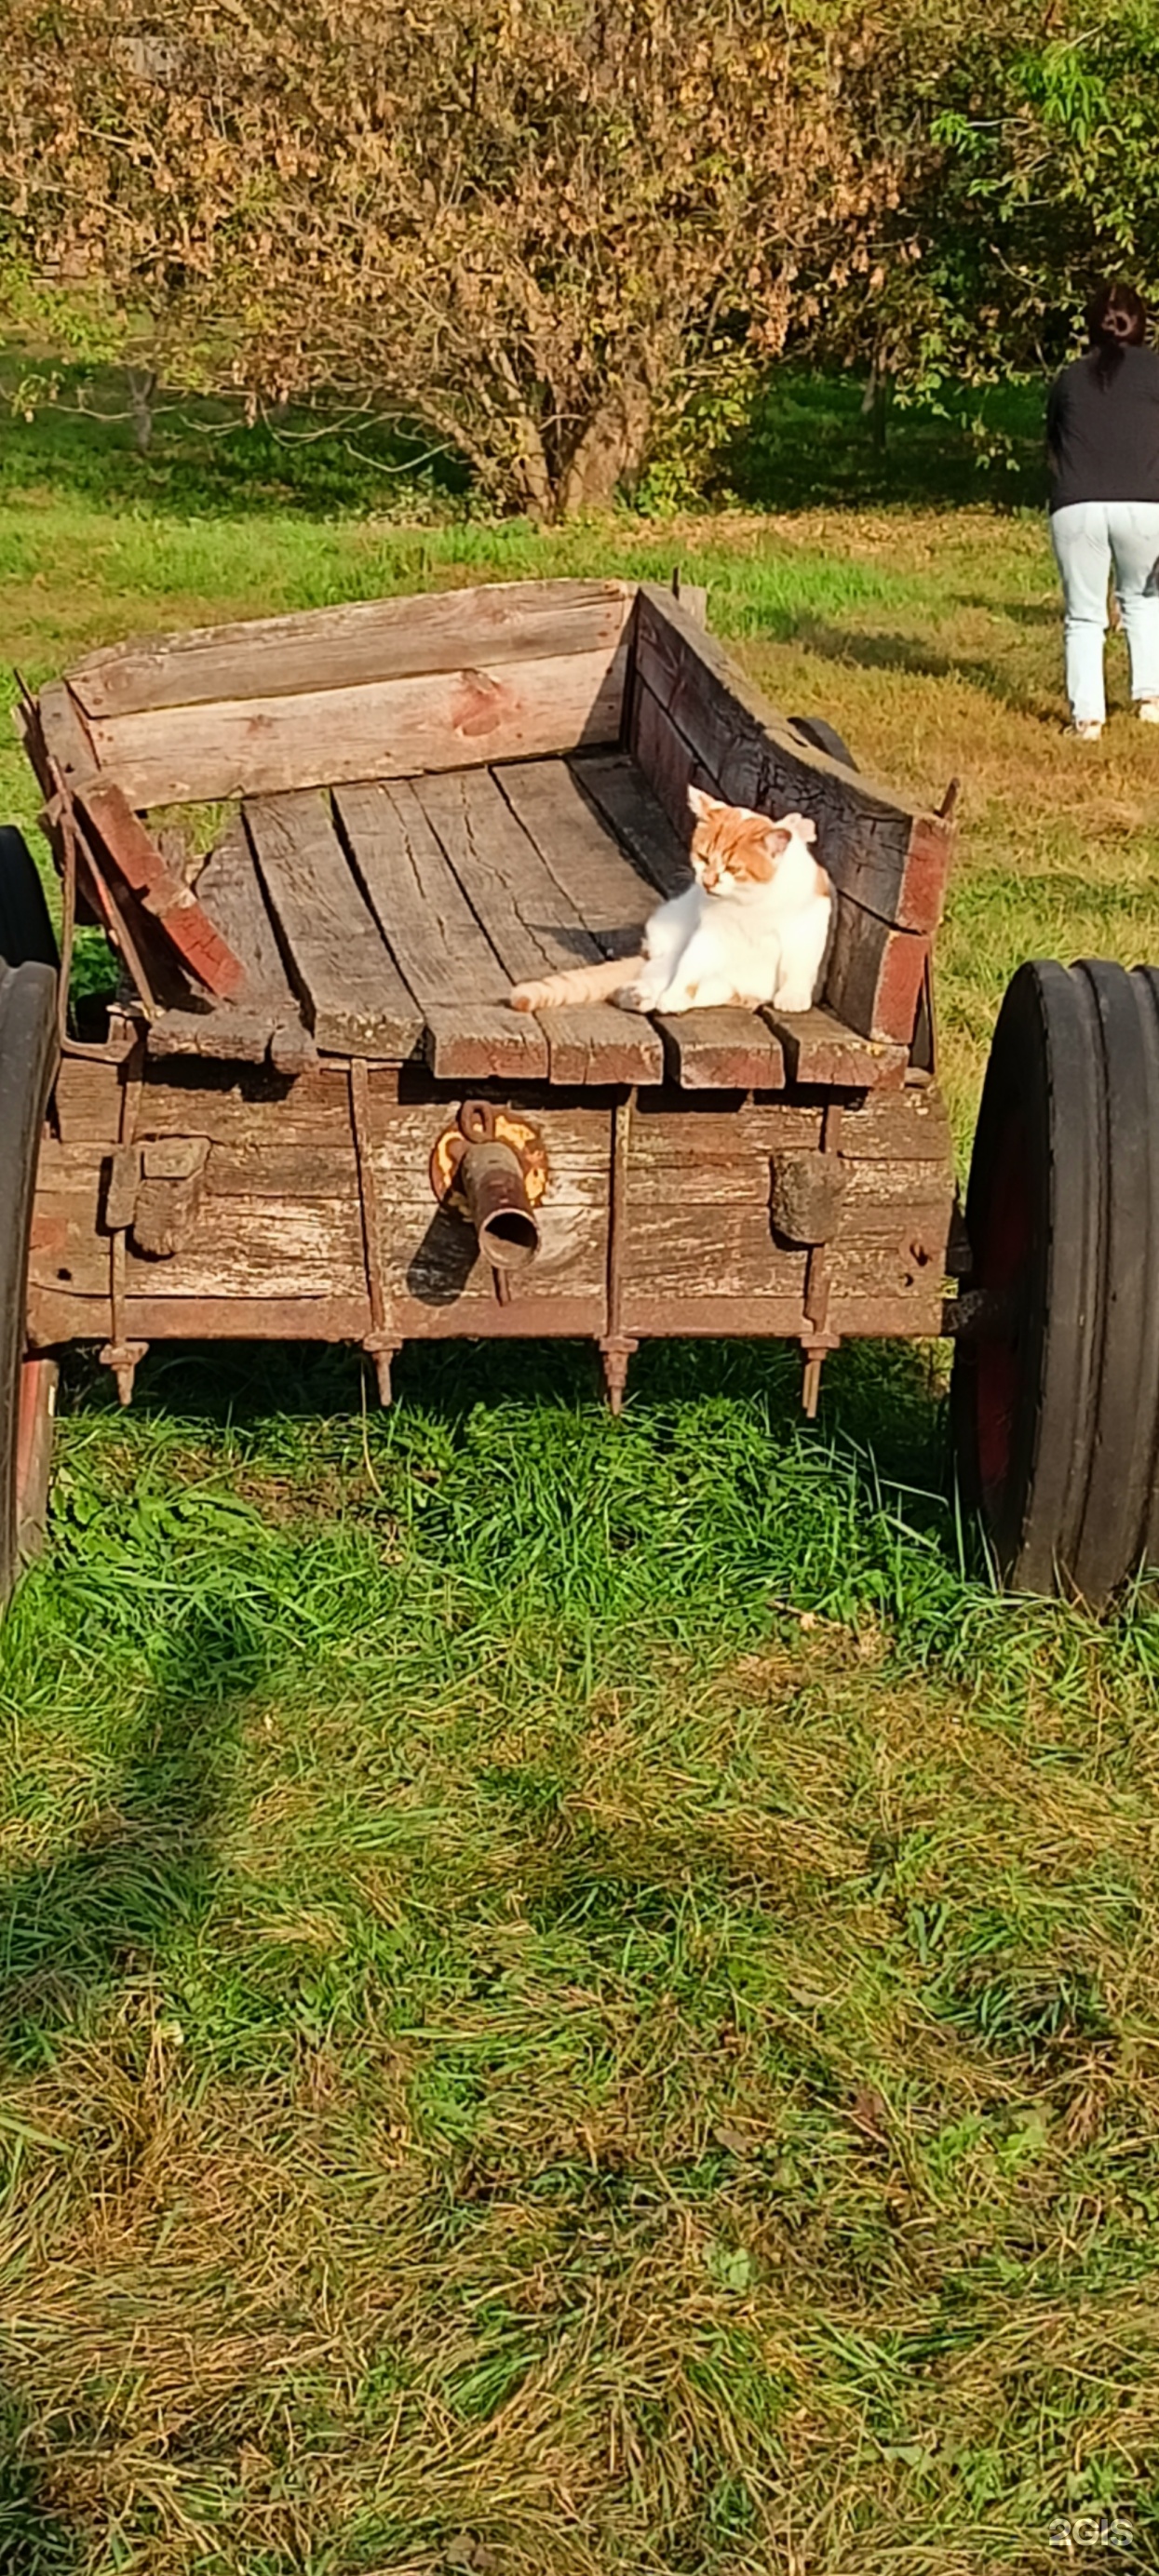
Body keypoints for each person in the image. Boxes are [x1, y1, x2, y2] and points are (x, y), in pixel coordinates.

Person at [1047, 281, 1159, 740]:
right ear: (1142, 324)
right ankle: (1151, 699)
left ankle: (1087, 718)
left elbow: (1053, 443)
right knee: (1145, 599)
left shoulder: (1070, 378)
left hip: (1076, 503)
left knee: (1084, 614)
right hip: (1147, 505)